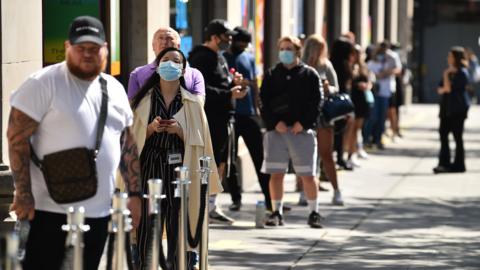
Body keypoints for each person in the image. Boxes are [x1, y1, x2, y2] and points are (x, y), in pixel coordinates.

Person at [7, 16, 142, 270]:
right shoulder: (43, 83)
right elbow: (16, 138)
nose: (87, 54)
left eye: (94, 48)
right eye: (81, 48)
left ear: (105, 49)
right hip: (48, 210)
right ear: (68, 47)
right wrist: (23, 193)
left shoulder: (114, 88)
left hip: (98, 212)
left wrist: (135, 194)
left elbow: (127, 143)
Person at [130, 47, 222, 269]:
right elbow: (131, 139)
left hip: (181, 167)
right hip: (150, 167)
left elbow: (201, 141)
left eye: (176, 61)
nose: (170, 64)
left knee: (178, 220)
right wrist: (150, 129)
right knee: (148, 223)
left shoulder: (192, 103)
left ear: (182, 70)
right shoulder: (144, 100)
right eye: (165, 60)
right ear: (157, 66)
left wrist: (180, 131)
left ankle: (178, 264)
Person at [260, 36, 322, 228]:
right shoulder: (271, 74)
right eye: (282, 48)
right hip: (276, 132)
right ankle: (276, 212)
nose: (284, 52)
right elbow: (263, 102)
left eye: (289, 48)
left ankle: (314, 212)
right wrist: (273, 122)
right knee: (276, 173)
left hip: (301, 132)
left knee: (308, 175)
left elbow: (317, 102)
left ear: (297, 51)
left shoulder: (310, 75)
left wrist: (303, 123)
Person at [188, 19, 246, 225]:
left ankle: (212, 203)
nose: (229, 40)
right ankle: (205, 204)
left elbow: (220, 82)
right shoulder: (202, 58)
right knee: (209, 160)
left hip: (224, 116)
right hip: (211, 117)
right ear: (214, 37)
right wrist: (228, 93)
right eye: (226, 37)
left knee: (221, 160)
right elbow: (201, 91)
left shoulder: (219, 56)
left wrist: (233, 83)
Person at [222, 26, 271, 212]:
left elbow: (254, 84)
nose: (243, 47)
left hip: (249, 114)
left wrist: (258, 110)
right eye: (241, 43)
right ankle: (236, 198)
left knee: (259, 157)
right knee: (230, 159)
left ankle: (269, 198)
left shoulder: (249, 57)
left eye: (246, 44)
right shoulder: (224, 58)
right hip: (232, 115)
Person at [302, 34, 344, 206]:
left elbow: (337, 88)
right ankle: (304, 191)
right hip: (305, 113)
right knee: (304, 155)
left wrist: (328, 88)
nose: (319, 51)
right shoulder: (301, 65)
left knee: (326, 153)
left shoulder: (326, 65)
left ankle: (336, 190)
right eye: (317, 48)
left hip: (323, 114)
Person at [128, 27, 205, 98]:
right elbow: (133, 108)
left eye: (169, 38)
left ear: (178, 46)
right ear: (153, 46)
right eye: (160, 38)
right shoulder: (137, 74)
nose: (164, 42)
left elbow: (198, 106)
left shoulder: (194, 75)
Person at [434, 46, 471, 174]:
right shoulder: (449, 71)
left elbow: (448, 89)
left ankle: (459, 165)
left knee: (457, 137)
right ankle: (444, 163)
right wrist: (446, 77)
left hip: (458, 109)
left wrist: (446, 75)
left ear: (456, 58)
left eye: (450, 56)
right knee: (443, 135)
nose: (448, 58)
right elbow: (440, 89)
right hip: (446, 108)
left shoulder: (462, 72)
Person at [367, 41, 402, 149]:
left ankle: (378, 139)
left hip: (386, 91)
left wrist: (387, 72)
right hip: (375, 92)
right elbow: (369, 72)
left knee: (382, 117)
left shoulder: (391, 58)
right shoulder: (372, 62)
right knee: (374, 116)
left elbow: (398, 70)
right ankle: (369, 138)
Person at [330, 37, 356, 170]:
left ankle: (339, 157)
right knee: (339, 131)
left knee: (339, 131)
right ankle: (339, 157)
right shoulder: (341, 65)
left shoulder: (336, 63)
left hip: (339, 101)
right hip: (339, 102)